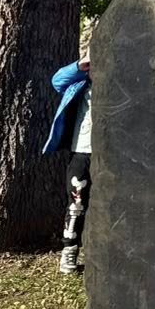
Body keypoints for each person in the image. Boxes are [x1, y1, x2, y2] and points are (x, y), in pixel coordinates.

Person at [43, 58, 93, 274]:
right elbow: (58, 81)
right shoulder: (80, 82)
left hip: (114, 152)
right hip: (82, 149)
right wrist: (81, 65)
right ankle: (69, 250)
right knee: (76, 202)